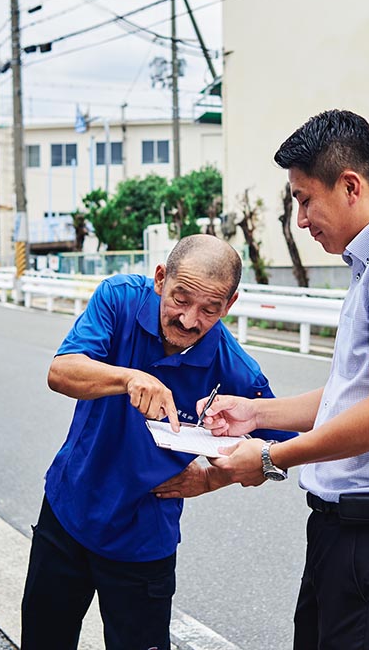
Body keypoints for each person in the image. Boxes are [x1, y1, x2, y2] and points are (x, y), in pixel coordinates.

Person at [204, 110, 369, 650]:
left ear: (350, 185)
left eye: (304, 199)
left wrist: (272, 458)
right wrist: (257, 415)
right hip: (355, 535)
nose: (300, 220)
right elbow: (359, 395)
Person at [20, 234, 292, 650]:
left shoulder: (234, 368)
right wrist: (128, 377)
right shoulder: (120, 299)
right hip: (68, 511)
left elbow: (282, 448)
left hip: (144, 542)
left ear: (230, 305)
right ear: (161, 278)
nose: (189, 319)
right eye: (180, 299)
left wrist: (211, 480)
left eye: (209, 309)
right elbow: (61, 372)